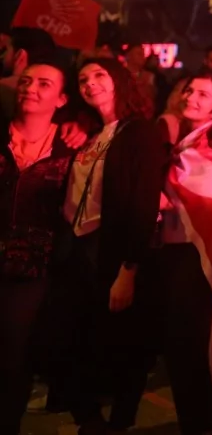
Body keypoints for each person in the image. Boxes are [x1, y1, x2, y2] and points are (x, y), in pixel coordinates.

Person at [51, 58, 167, 435]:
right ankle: (89, 418)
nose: (90, 83)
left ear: (119, 81)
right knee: (68, 337)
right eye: (83, 78)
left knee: (124, 345)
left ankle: (118, 423)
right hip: (75, 249)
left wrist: (129, 269)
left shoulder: (140, 133)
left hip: (114, 251)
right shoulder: (89, 132)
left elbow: (143, 203)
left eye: (100, 75)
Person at [158, 72, 212, 434]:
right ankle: (192, 421)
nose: (192, 97)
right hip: (171, 255)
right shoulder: (173, 138)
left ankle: (208, 420)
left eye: (203, 94)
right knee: (178, 347)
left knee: (201, 344)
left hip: (206, 258)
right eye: (188, 90)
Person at [0, 60, 77, 435]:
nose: (31, 88)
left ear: (61, 99)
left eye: (44, 84)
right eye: (27, 81)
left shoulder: (72, 149)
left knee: (14, 356)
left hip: (34, 269)